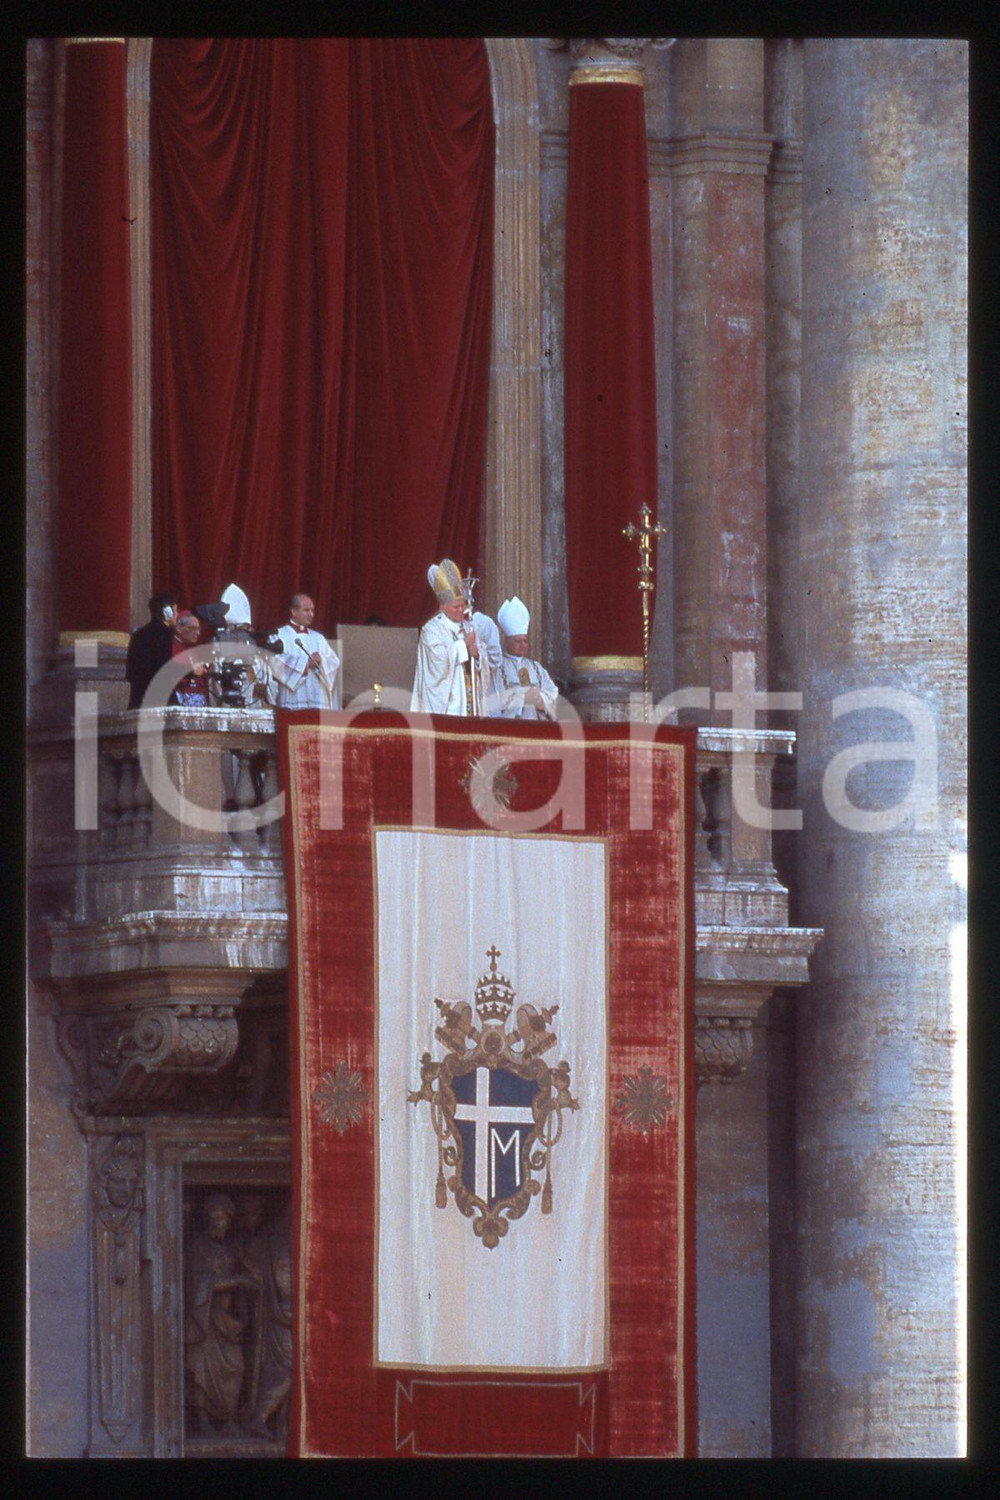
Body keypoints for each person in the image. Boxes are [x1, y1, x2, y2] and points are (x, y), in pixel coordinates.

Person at [183, 1194, 258, 1438]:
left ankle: (228, 1420)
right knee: (201, 1367)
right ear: (206, 1220)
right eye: (214, 1219)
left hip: (227, 1321)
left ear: (230, 1221)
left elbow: (243, 1280)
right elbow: (201, 1283)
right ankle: (203, 1422)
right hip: (203, 1321)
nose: (218, 1224)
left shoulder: (230, 1251)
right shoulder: (197, 1247)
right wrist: (236, 1281)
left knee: (236, 1367)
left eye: (223, 1220)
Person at [410, 560, 495, 715]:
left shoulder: (469, 625)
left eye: (463, 605)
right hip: (450, 707)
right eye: (456, 607)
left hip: (471, 705)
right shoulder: (432, 630)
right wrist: (463, 646)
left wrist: (477, 655)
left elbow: (481, 656)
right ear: (443, 607)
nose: (461, 610)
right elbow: (437, 663)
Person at [270, 594, 341, 710]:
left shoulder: (319, 638)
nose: (311, 614)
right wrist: (305, 665)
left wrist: (321, 660)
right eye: (306, 610)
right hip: (291, 700)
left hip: (317, 701)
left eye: (312, 610)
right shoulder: (278, 635)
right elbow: (275, 663)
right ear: (293, 611)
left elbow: (334, 662)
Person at [495, 596, 559, 720]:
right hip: (512, 728)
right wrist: (522, 700)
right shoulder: (498, 668)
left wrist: (540, 699)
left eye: (525, 641)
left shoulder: (536, 668)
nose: (522, 645)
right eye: (518, 641)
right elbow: (494, 700)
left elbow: (552, 693)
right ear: (507, 642)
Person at [125, 591, 178, 708]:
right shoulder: (165, 635)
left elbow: (130, 673)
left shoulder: (138, 635)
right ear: (168, 613)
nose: (177, 614)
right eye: (175, 610)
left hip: (138, 699)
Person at [169, 611, 211, 707]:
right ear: (179, 628)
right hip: (178, 697)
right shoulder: (169, 646)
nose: (198, 633)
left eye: (199, 629)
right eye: (193, 629)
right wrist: (191, 670)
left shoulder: (192, 650)